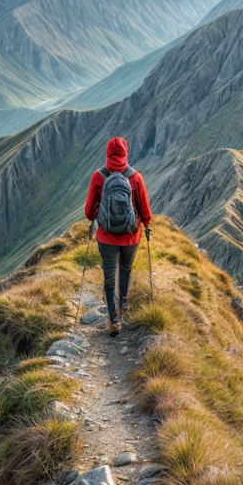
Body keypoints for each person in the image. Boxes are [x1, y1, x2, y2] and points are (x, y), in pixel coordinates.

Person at [84, 136, 151, 336]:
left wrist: (102, 216)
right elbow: (146, 212)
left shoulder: (99, 176)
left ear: (107, 153)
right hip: (131, 236)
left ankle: (113, 321)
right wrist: (143, 223)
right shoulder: (135, 177)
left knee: (109, 277)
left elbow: (89, 212)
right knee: (125, 269)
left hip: (106, 237)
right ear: (125, 153)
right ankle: (123, 305)